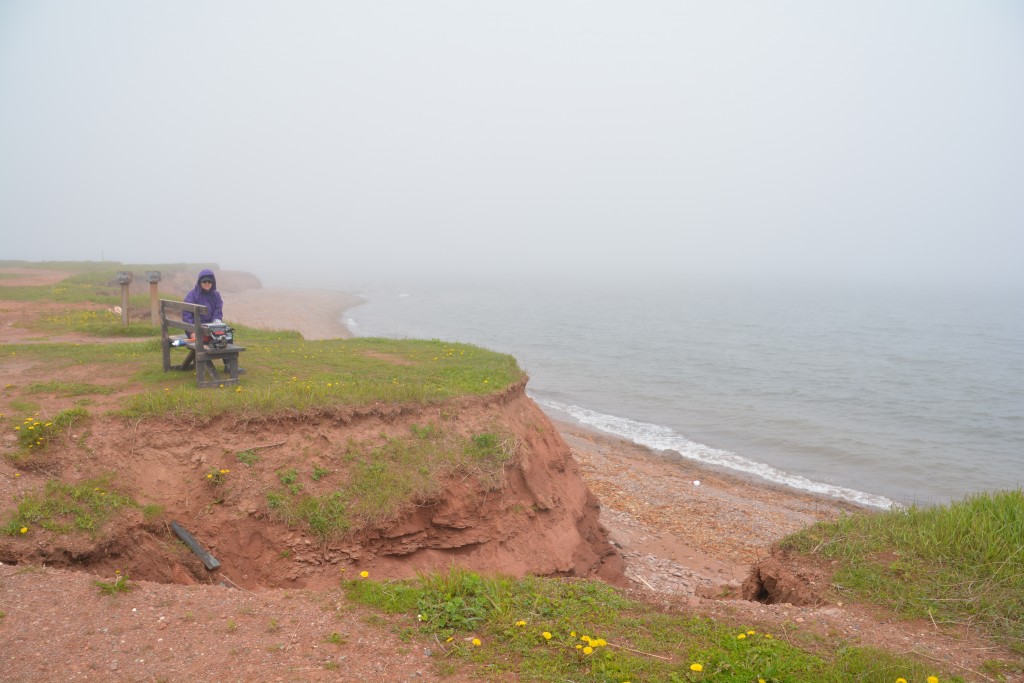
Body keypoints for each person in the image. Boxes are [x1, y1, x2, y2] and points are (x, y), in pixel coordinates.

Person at [182, 269, 243, 373]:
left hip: (212, 328)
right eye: (204, 281)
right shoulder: (192, 295)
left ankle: (228, 365)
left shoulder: (216, 295)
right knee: (218, 337)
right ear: (199, 282)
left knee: (225, 334)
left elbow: (218, 311)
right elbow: (186, 315)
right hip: (196, 331)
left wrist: (217, 322)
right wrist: (192, 332)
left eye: (209, 281)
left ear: (213, 283)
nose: (207, 283)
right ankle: (222, 365)